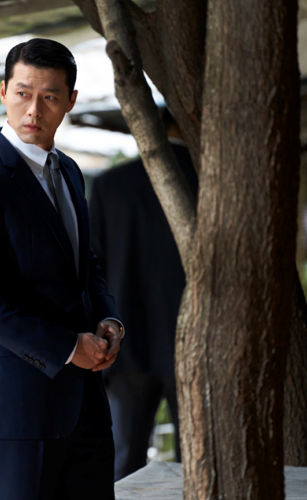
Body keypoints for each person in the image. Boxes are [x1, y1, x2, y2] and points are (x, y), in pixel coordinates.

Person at [0, 38, 125, 500]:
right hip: (15, 406)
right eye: (23, 93)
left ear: (71, 101)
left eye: (49, 97)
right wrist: (67, 346)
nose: (34, 110)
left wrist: (108, 317)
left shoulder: (70, 171)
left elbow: (85, 262)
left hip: (85, 400)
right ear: (3, 92)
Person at [89, 107, 198, 480]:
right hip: (193, 342)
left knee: (125, 459)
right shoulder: (209, 183)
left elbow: (91, 271)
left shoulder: (111, 185)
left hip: (125, 342)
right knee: (198, 459)